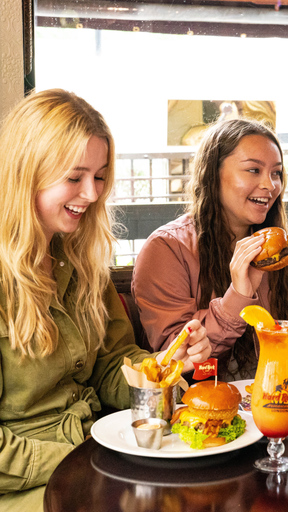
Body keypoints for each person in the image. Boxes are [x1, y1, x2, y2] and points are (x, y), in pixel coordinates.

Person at [0, 89, 211, 509]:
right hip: (28, 484)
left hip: (97, 454)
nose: (93, 194)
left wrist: (165, 367)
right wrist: (81, 457)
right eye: (74, 177)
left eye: (99, 176)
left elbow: (112, 368)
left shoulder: (79, 261)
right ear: (28, 172)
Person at [132, 119, 288, 381]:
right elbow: (176, 359)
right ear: (213, 174)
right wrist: (239, 296)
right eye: (253, 170)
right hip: (194, 410)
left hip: (276, 402)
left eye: (276, 173)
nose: (270, 185)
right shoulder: (166, 249)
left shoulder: (286, 251)